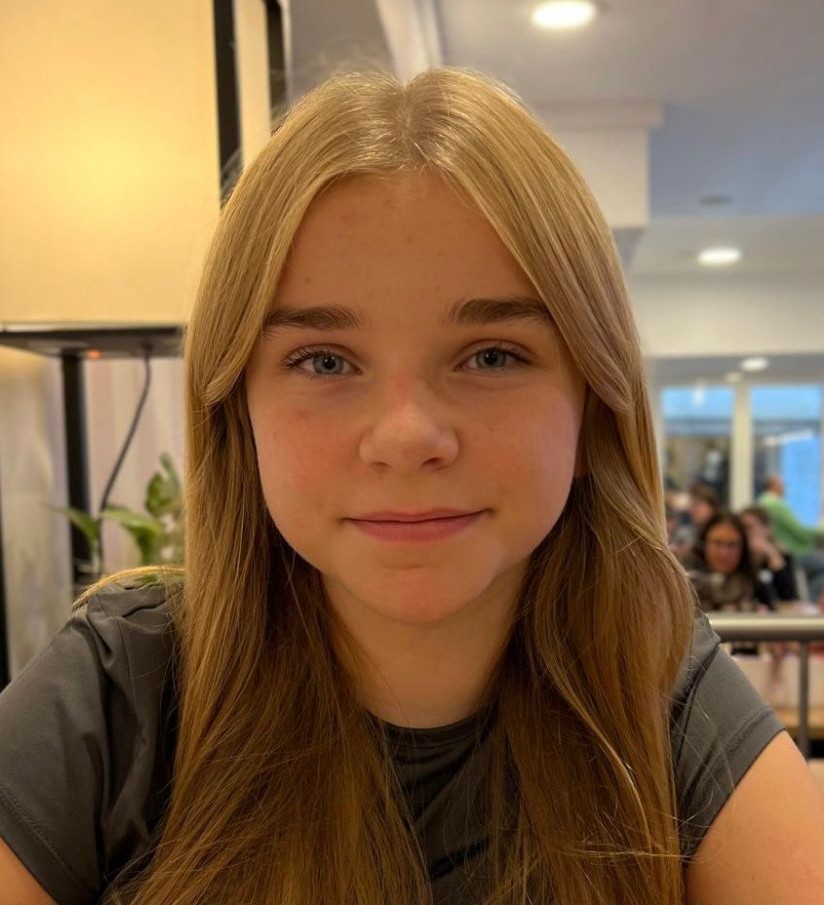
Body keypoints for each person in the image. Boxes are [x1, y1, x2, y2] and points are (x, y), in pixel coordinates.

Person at [1, 67, 822, 905]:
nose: (406, 438)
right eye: (324, 361)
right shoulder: (119, 691)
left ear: (593, 411)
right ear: (238, 415)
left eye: (492, 356)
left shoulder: (657, 690)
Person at [684, 512, 774, 656]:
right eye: (717, 543)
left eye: (732, 545)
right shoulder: (686, 588)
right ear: (703, 545)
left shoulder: (756, 586)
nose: (724, 553)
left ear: (743, 548)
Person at [756, 474, 824, 604]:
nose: (784, 488)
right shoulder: (774, 504)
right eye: (782, 484)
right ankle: (813, 604)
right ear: (774, 485)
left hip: (783, 553)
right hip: (794, 552)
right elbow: (799, 531)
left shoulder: (761, 501)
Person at [739, 505, 799, 602]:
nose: (745, 533)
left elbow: (789, 597)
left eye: (749, 528)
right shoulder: (737, 557)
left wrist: (773, 556)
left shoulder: (782, 555)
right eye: (741, 528)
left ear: (767, 529)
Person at [670, 483, 720, 563]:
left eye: (696, 504)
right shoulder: (688, 532)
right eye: (690, 505)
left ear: (711, 506)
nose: (691, 510)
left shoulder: (722, 532)